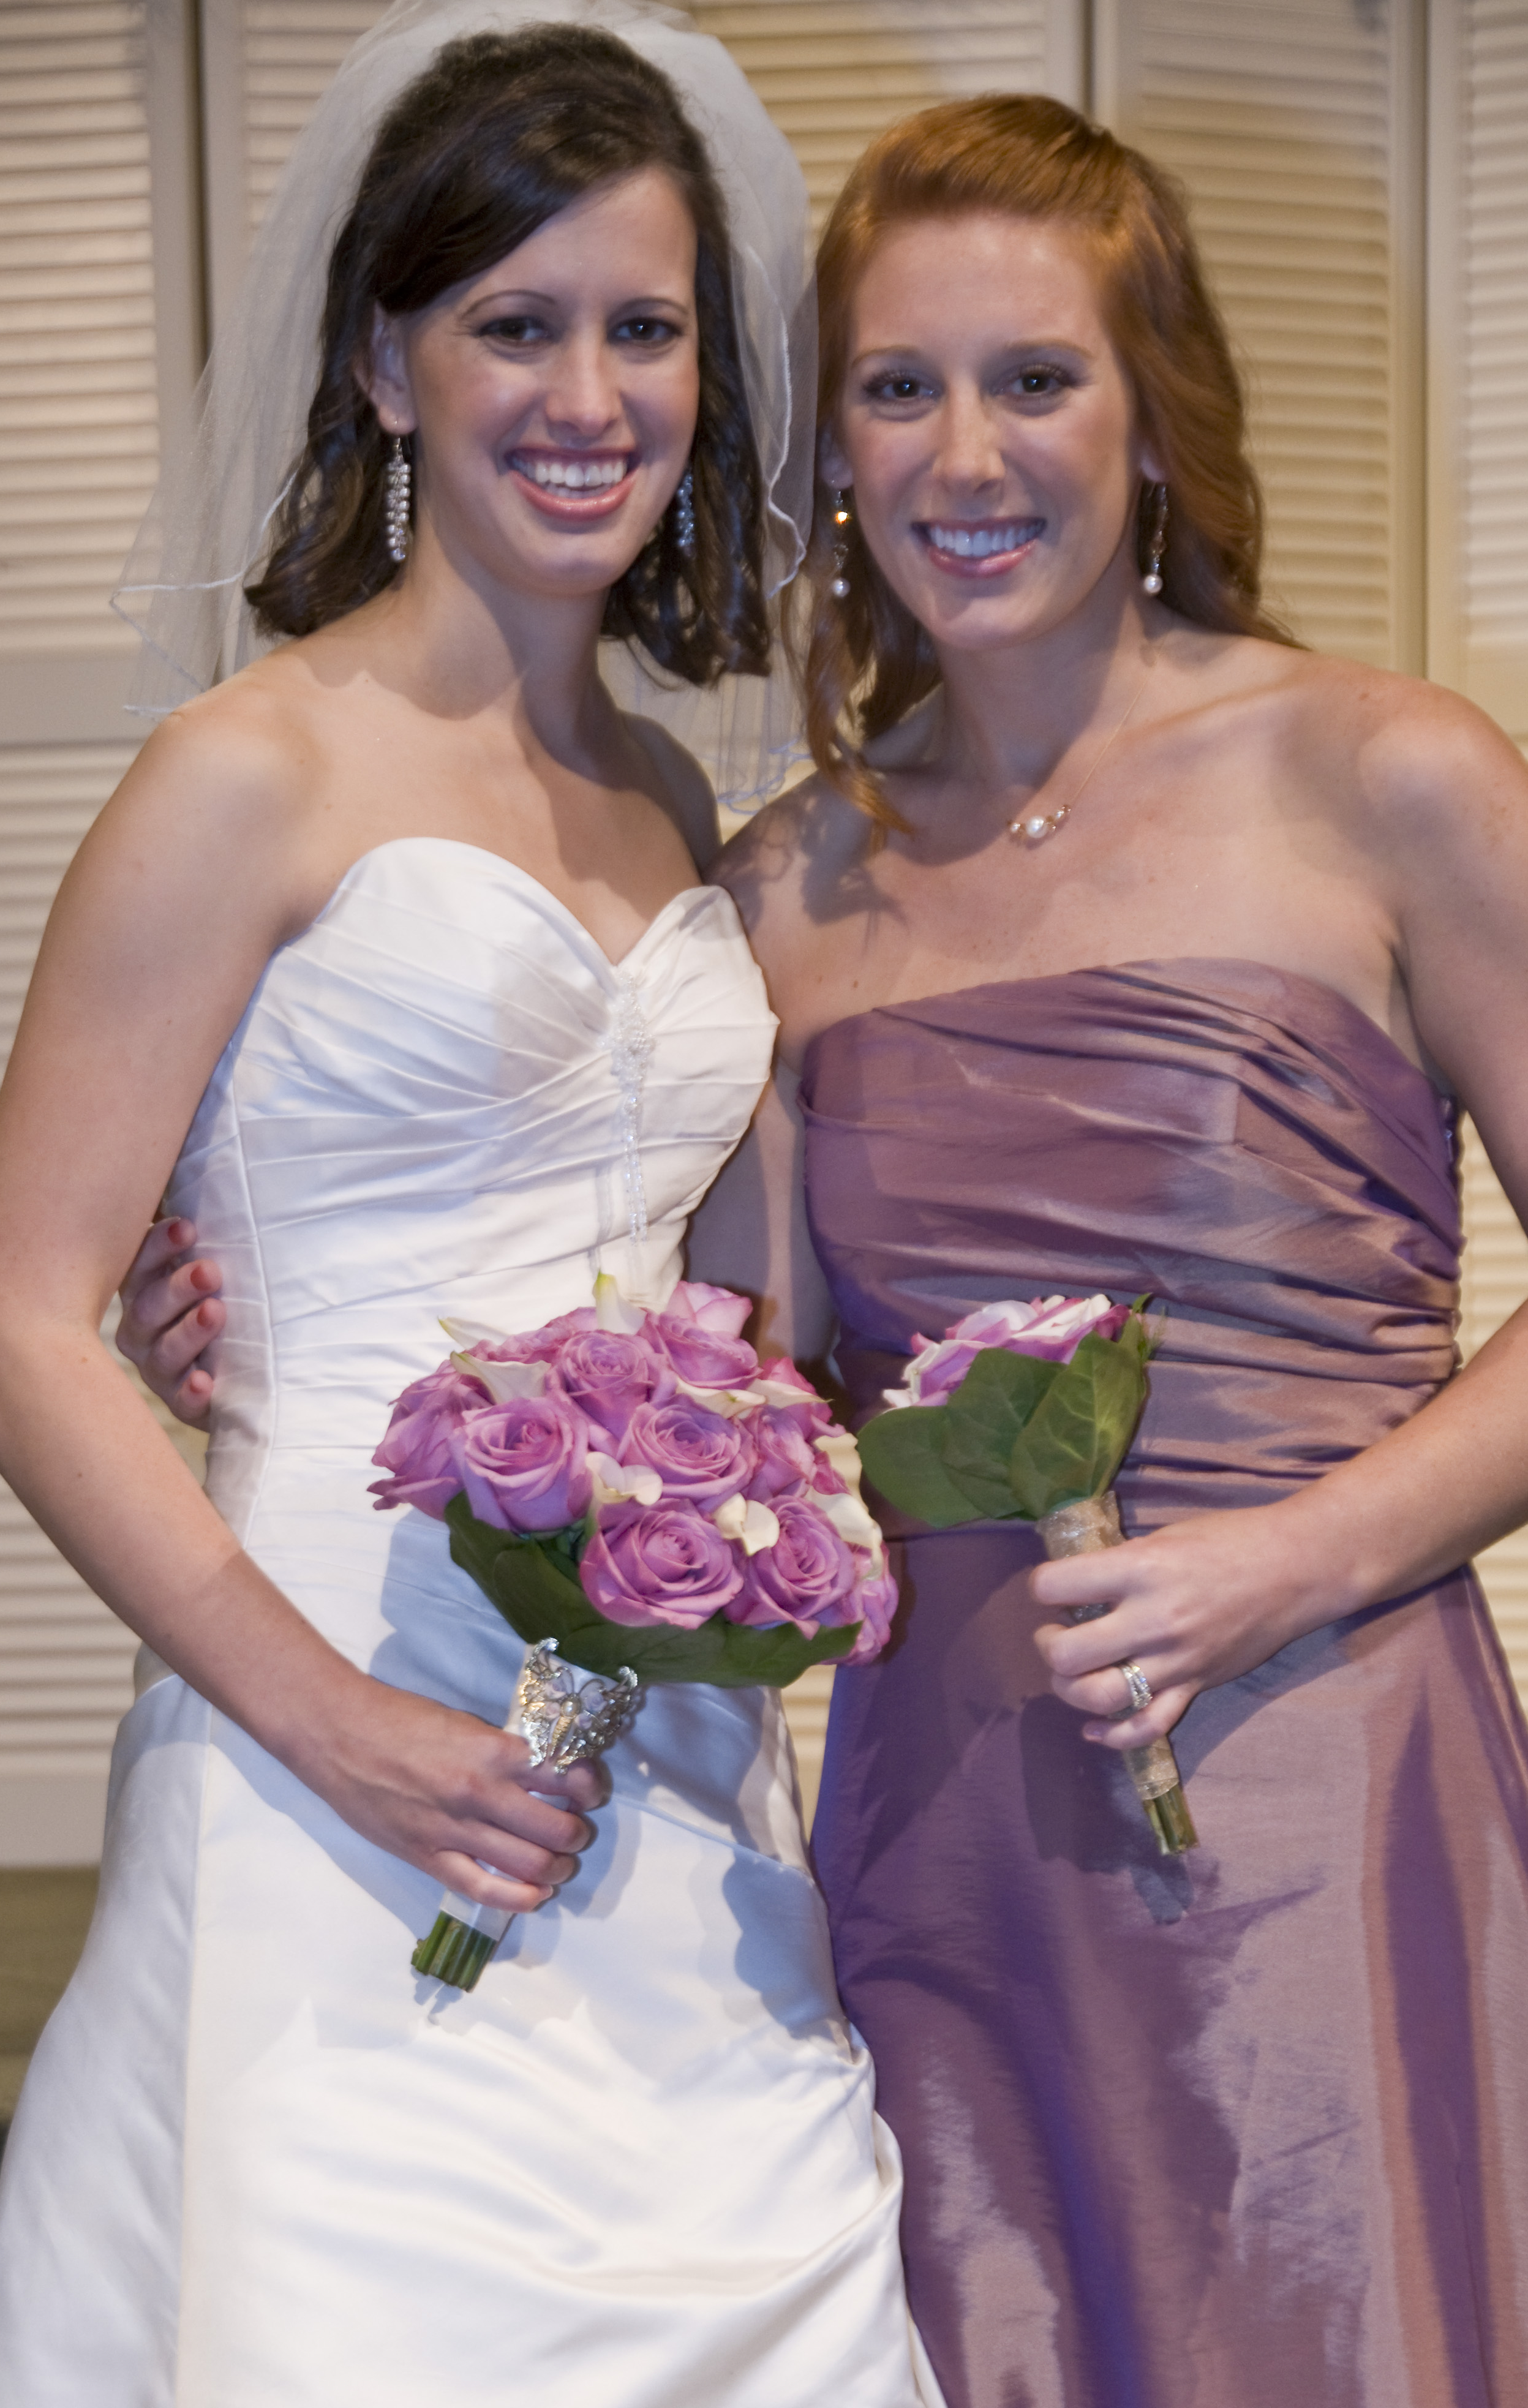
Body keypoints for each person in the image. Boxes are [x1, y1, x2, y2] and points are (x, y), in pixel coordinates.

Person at [0, 11, 936, 2404]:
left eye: (643, 328)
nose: (587, 395)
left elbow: (717, 1311)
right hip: (322, 1727)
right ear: (389, 366)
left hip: (659, 1742)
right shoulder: (244, 772)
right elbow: (10, 1323)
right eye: (514, 323)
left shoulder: (667, 800)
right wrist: (344, 1724)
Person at [694, 93, 1528, 2408]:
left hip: (1322, 1789)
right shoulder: (786, 890)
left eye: (1036, 378)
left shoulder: (1389, 779)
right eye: (899, 385)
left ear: (1154, 416)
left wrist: (1293, 1558)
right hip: (945, 1845)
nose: (965, 454)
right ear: (835, 449)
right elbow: (745, 1403)